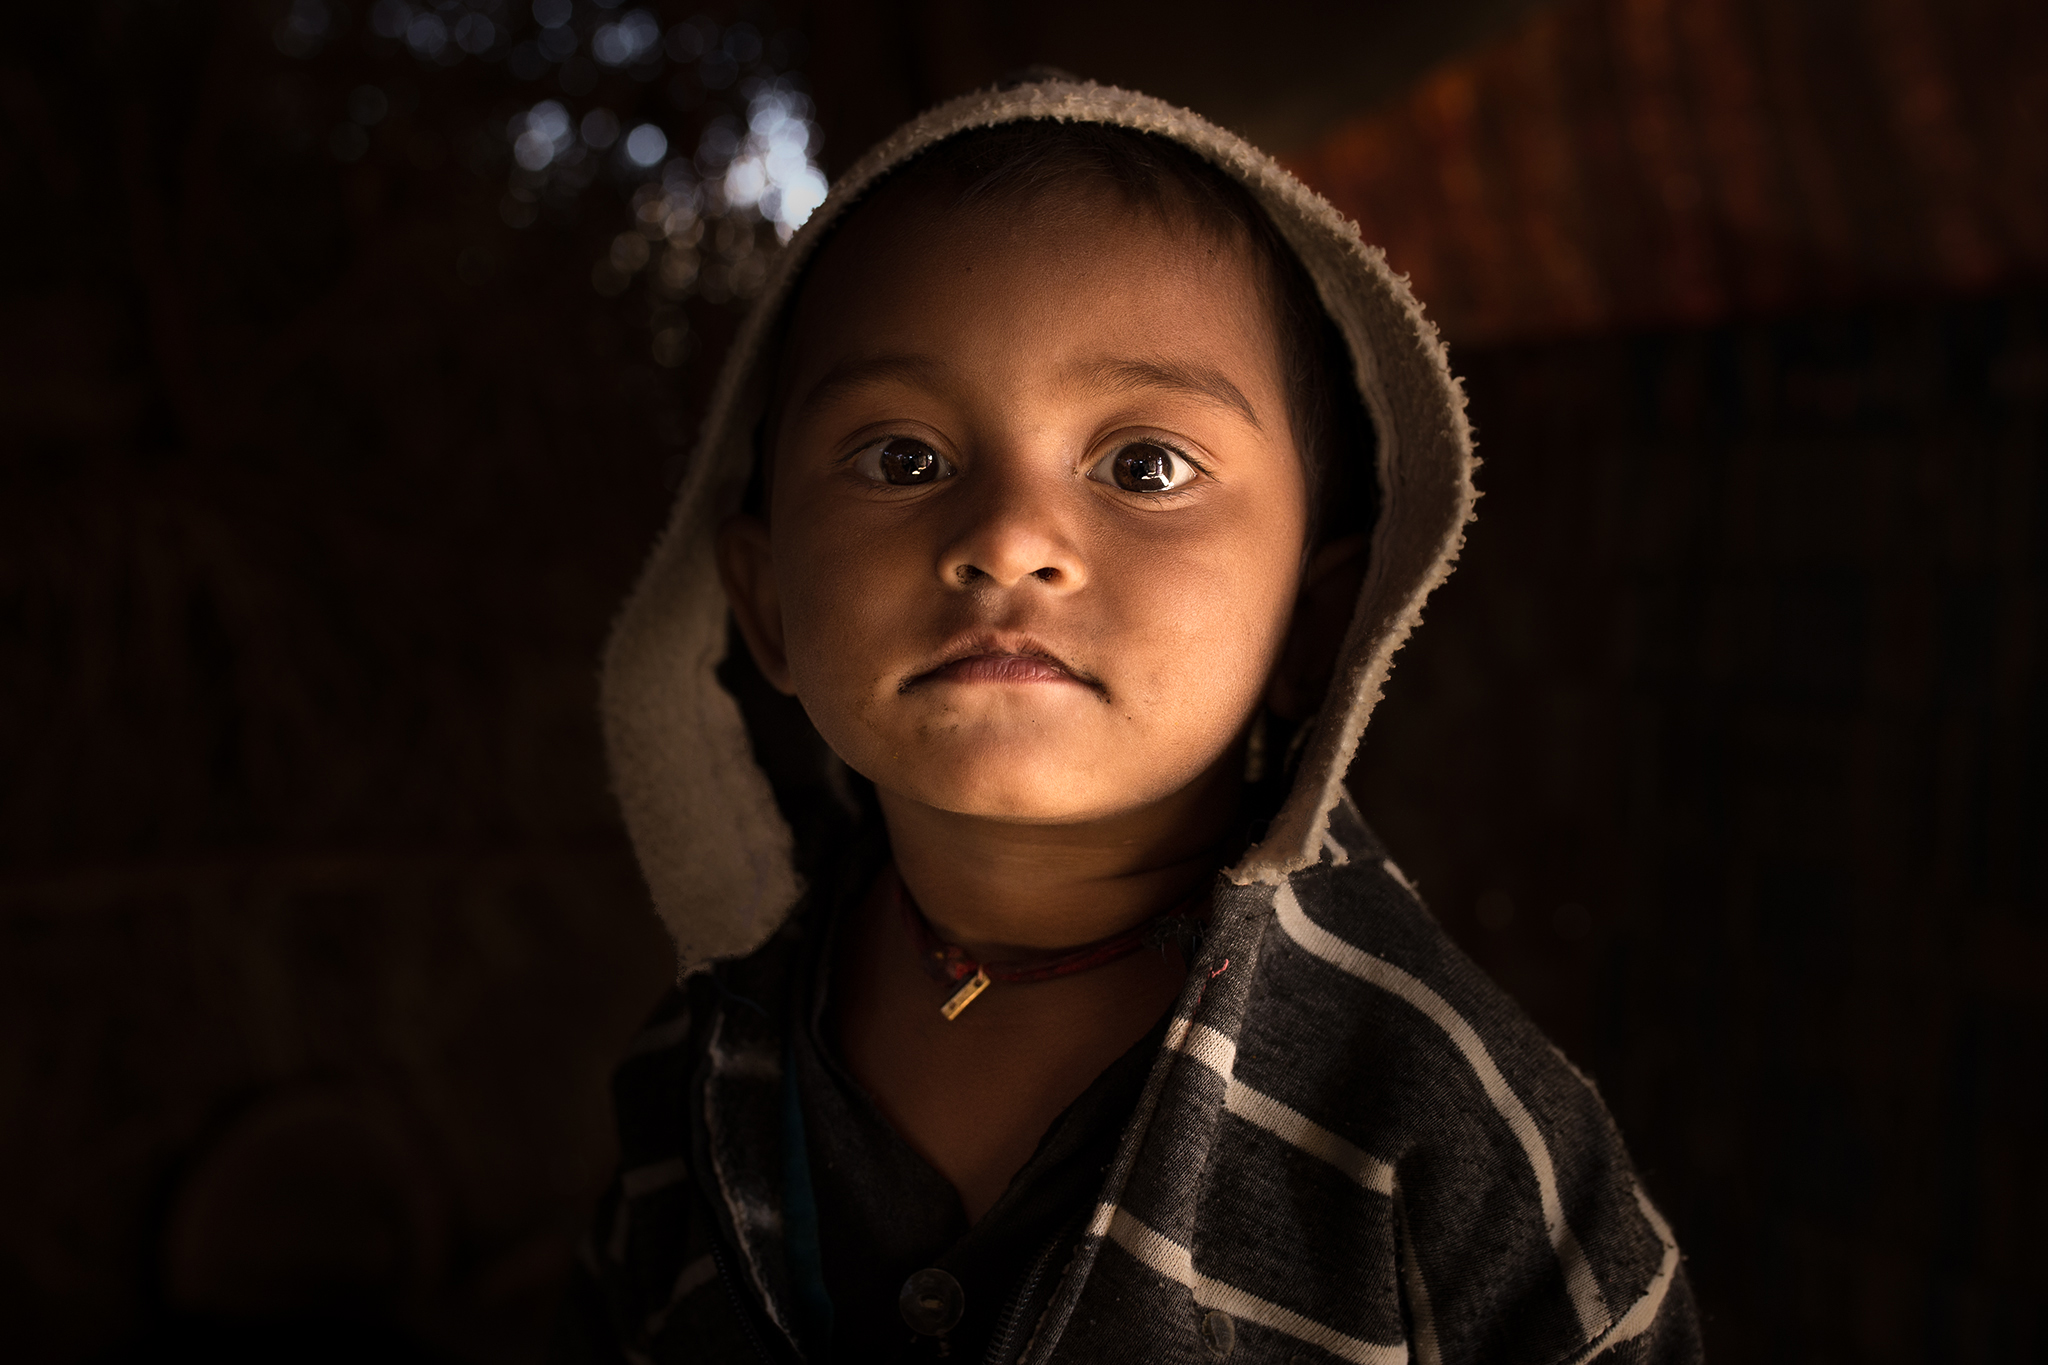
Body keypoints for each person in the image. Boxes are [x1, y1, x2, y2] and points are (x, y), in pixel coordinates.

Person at [560, 76, 1702, 1364]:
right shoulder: (702, 1066)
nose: (1007, 541)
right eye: (902, 458)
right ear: (764, 605)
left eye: (1144, 466)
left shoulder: (1449, 1135)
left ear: (1315, 628)